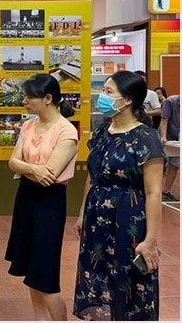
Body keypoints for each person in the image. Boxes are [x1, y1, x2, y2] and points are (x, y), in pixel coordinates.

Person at [73, 71, 164, 321]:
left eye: (108, 92)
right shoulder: (103, 132)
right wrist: (82, 214)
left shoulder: (146, 137)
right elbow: (92, 177)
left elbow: (153, 192)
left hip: (129, 219)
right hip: (97, 217)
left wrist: (151, 240)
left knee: (128, 282)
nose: (102, 97)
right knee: (99, 273)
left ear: (128, 100)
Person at [5, 74, 78, 321]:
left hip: (50, 203)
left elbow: (52, 174)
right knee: (31, 272)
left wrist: (29, 168)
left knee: (45, 276)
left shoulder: (67, 131)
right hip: (26, 197)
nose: (24, 101)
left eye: (29, 97)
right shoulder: (28, 125)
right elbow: (13, 162)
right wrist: (34, 169)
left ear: (48, 99)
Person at [159, 94, 180, 201]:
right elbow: (164, 120)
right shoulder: (170, 101)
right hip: (167, 136)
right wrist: (163, 136)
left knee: (174, 165)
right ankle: (154, 190)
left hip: (178, 138)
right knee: (161, 165)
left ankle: (165, 191)